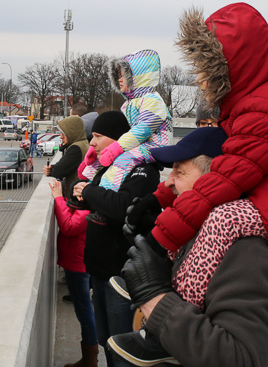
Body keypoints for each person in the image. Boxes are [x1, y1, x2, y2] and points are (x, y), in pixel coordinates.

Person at [127, 3, 268, 264]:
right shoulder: (244, 105)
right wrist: (157, 199)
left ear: (229, 67)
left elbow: (224, 180)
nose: (199, 79)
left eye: (206, 69)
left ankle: (187, 294)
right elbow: (211, 168)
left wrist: (159, 240)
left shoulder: (265, 109)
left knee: (223, 219)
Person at [107, 127, 268, 366]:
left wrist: (154, 297)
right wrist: (152, 247)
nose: (168, 182)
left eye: (179, 172)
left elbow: (239, 358)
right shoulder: (207, 231)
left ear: (215, 181)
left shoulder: (251, 254)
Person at [70, 110, 161, 367]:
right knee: (106, 339)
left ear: (119, 138)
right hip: (99, 271)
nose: (93, 143)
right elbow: (85, 196)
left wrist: (88, 191)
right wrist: (80, 191)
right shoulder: (108, 167)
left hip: (122, 276)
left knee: (122, 344)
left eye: (98, 136)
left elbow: (122, 207)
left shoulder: (143, 169)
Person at [76, 49, 172, 225]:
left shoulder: (153, 100)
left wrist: (116, 148)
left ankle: (102, 205)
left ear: (139, 77)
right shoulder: (128, 105)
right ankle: (86, 187)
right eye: (118, 75)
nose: (120, 79)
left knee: (121, 163)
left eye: (124, 75)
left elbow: (141, 130)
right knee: (101, 162)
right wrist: (92, 155)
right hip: (138, 144)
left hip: (153, 145)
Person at [49, 178, 99, 367]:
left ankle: (90, 359)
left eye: (83, 188)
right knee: (83, 310)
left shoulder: (88, 211)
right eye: (77, 187)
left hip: (78, 267)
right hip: (75, 264)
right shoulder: (82, 206)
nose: (79, 190)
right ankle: (89, 357)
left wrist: (58, 199)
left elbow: (68, 227)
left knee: (84, 312)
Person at [43, 116, 89, 198]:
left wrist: (51, 170)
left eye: (64, 133)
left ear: (72, 132)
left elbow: (58, 170)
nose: (61, 136)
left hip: (75, 197)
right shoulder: (84, 143)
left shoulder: (76, 148)